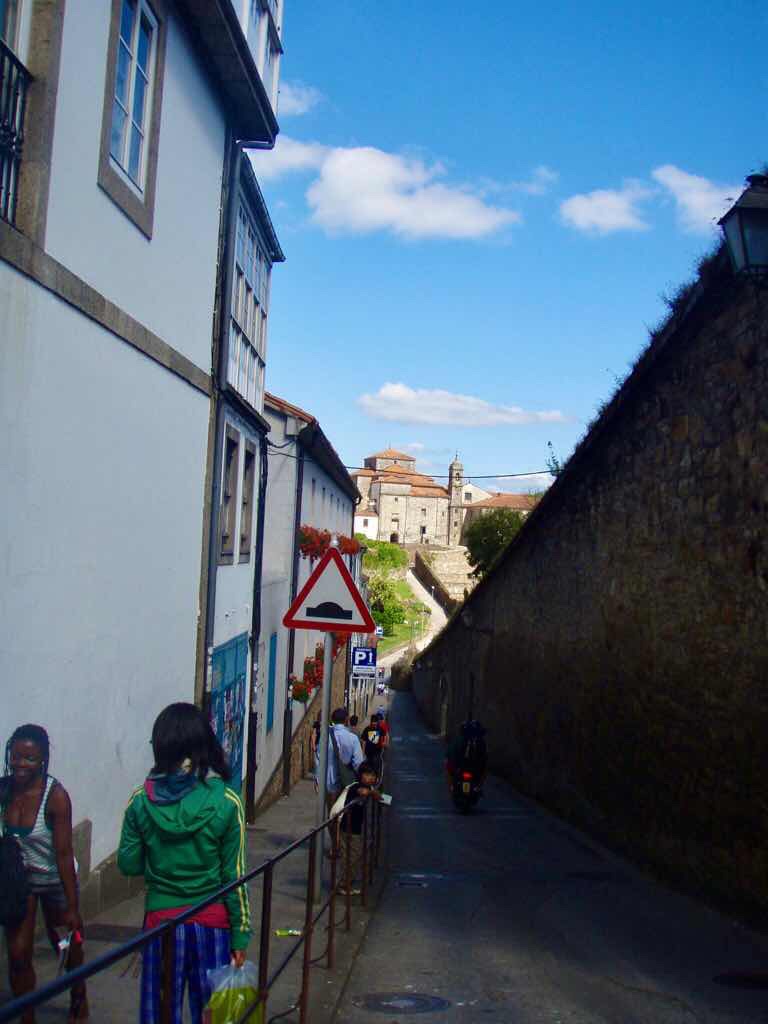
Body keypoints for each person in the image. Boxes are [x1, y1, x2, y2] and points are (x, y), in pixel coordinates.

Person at [118, 703, 251, 1024]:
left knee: (159, 1011)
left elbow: (128, 864)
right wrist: (240, 935)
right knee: (213, 1014)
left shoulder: (140, 801)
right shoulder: (227, 802)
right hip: (213, 922)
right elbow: (234, 877)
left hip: (160, 921)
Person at [0, 724, 87, 1023]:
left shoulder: (56, 796)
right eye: (16, 757)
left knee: (66, 945)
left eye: (29, 758)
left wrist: (72, 907)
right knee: (18, 953)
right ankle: (27, 1015)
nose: (20, 764)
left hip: (54, 881)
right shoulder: (4, 791)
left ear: (43, 760)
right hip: (20, 883)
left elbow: (63, 854)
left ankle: (79, 995)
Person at [330, 761, 381, 895]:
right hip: (346, 828)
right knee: (353, 856)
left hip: (355, 829)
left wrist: (375, 793)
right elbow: (362, 792)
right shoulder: (356, 786)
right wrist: (372, 792)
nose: (370, 778)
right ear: (360, 775)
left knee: (353, 856)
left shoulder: (368, 787)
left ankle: (346, 884)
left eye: (373, 775)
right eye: (367, 775)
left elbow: (379, 797)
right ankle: (343, 885)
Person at [321, 708, 363, 813]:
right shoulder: (353, 738)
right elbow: (358, 763)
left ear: (332, 719)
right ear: (346, 720)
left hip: (328, 782)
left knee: (331, 813)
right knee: (344, 812)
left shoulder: (325, 736)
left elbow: (319, 758)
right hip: (346, 783)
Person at [445, 719, 487, 786]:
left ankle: (451, 786)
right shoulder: (481, 742)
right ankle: (479, 786)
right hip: (474, 770)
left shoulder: (458, 740)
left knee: (448, 765)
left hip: (460, 769)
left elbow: (449, 754)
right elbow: (484, 758)